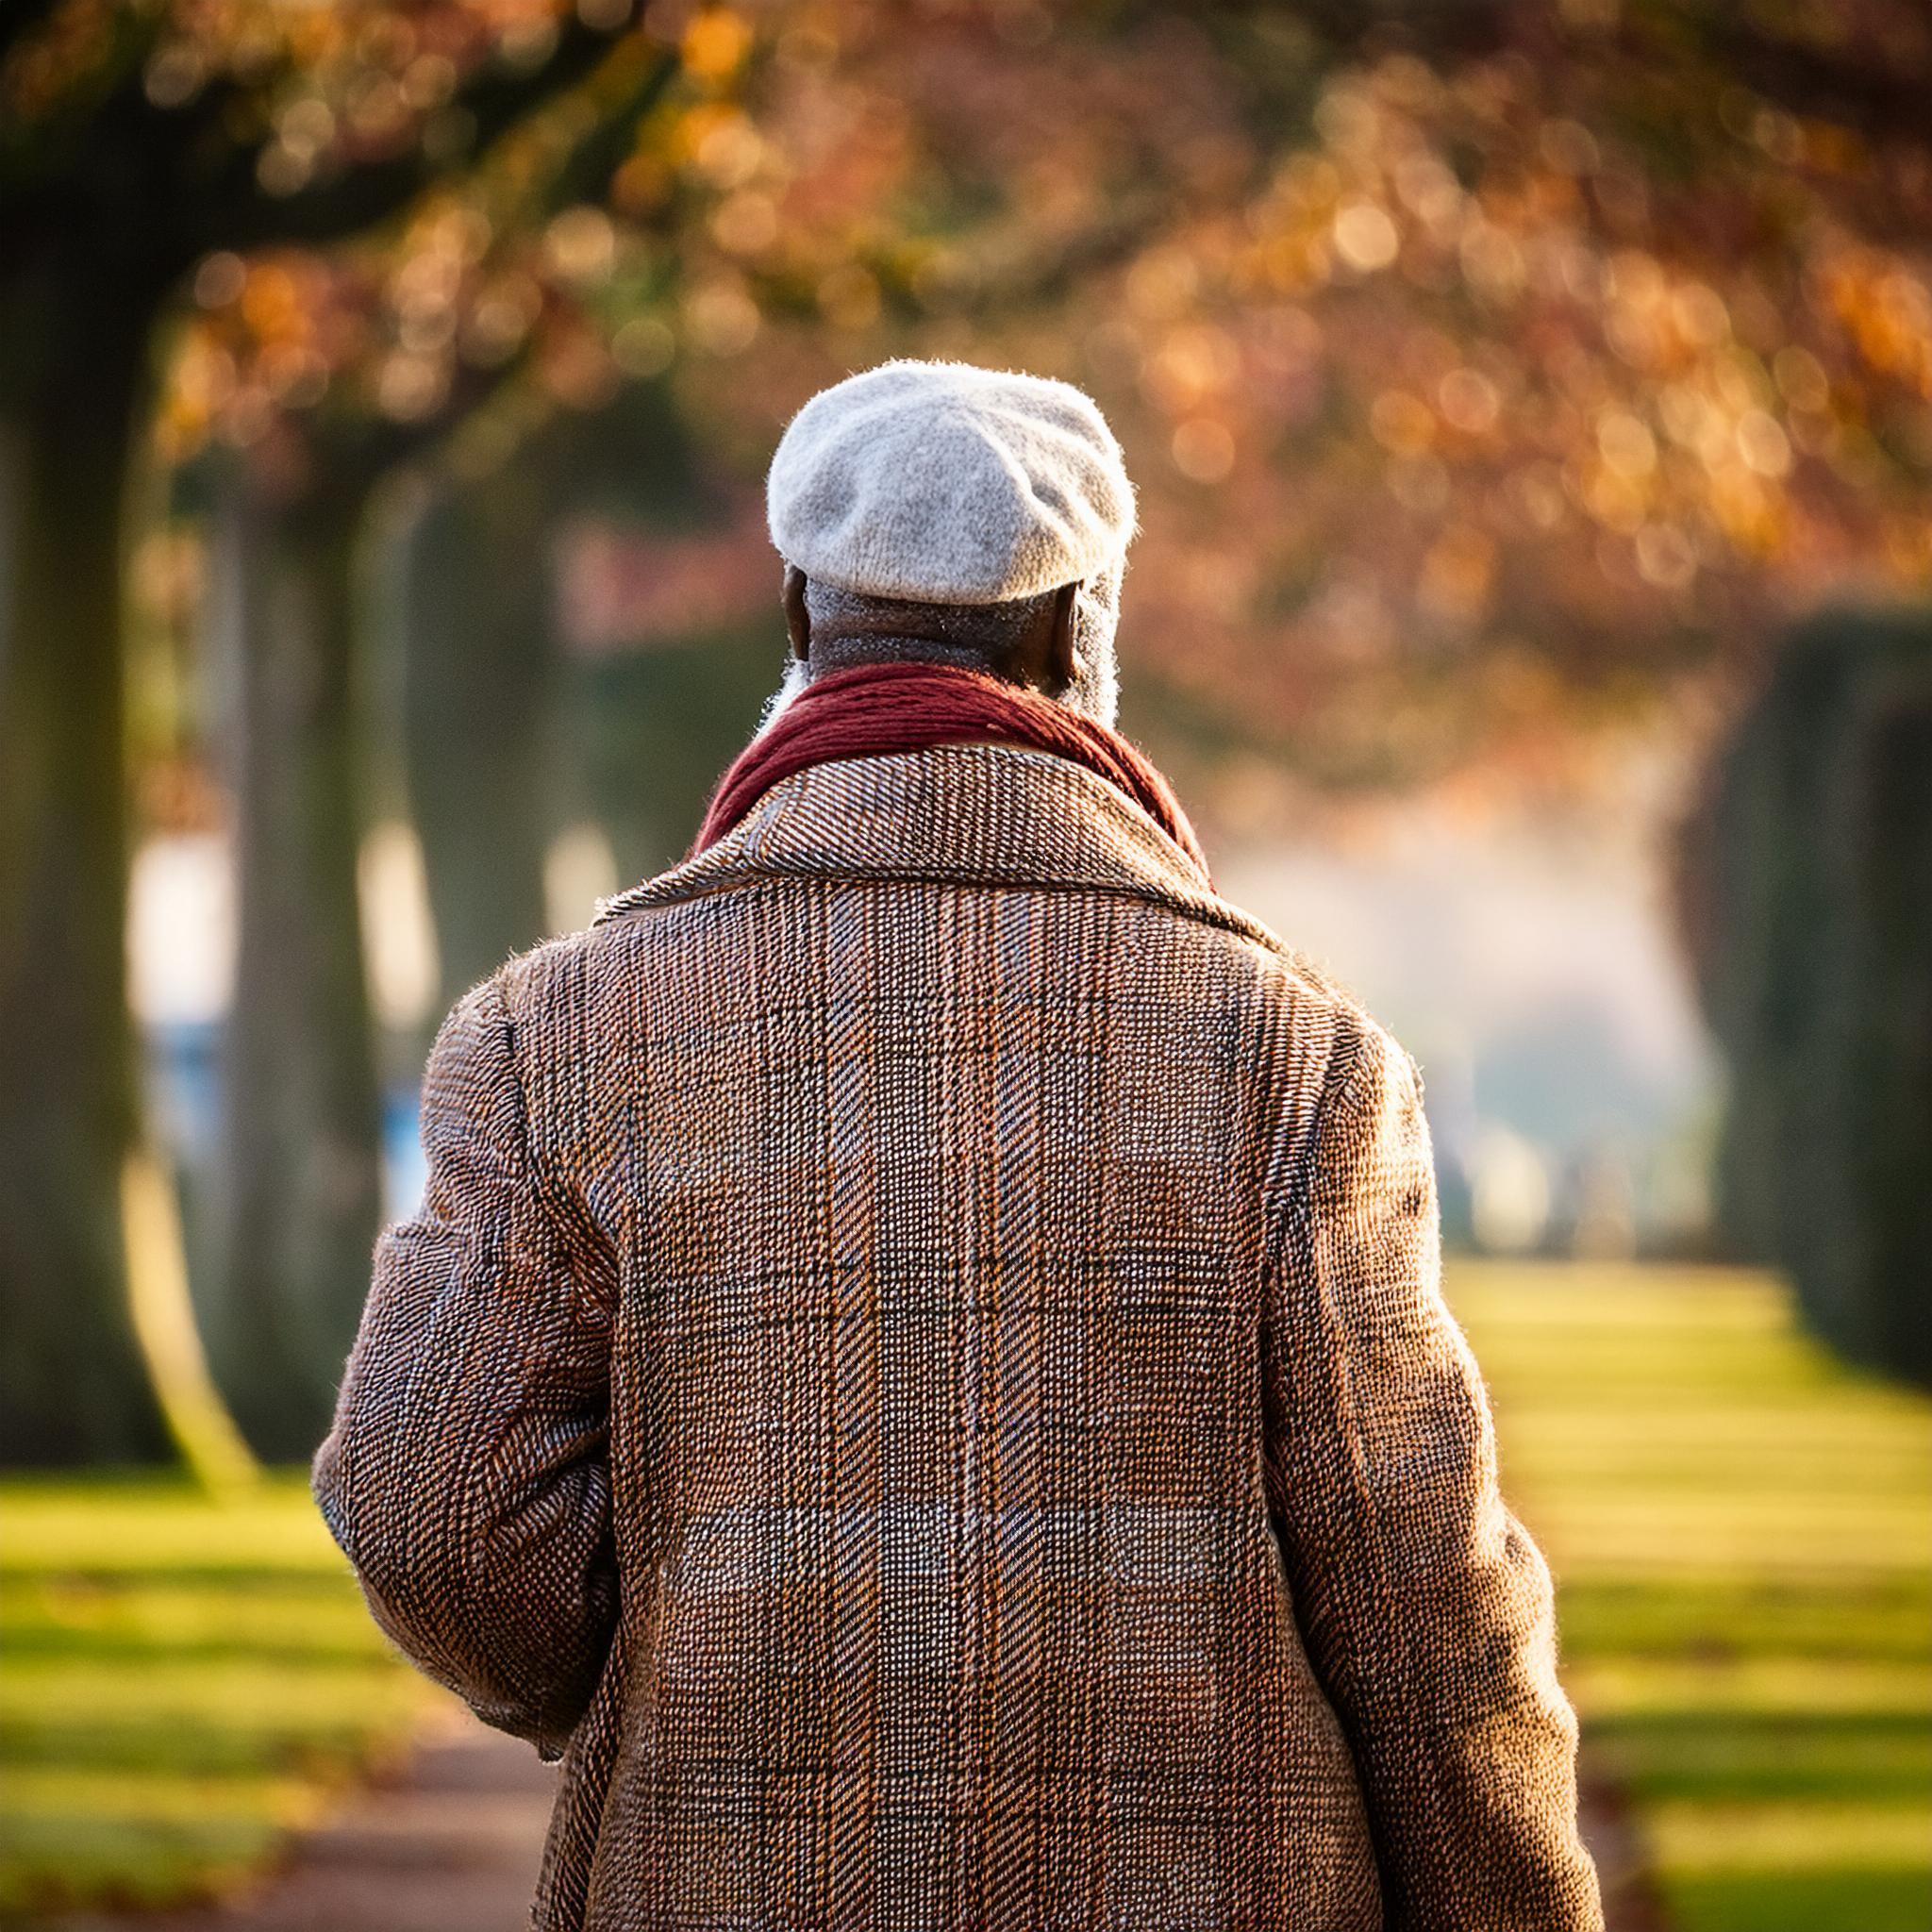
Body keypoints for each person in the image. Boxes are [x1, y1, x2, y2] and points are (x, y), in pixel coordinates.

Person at [314, 358, 1604, 1932]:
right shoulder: (1293, 1057)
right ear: (1081, 633)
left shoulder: (552, 1040)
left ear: (796, 621)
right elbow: (1427, 1608)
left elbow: (432, 1512)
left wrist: (638, 1679)